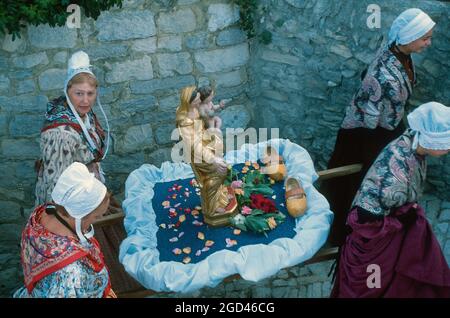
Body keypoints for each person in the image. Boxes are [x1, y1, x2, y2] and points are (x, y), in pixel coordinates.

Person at [321, 8, 436, 246]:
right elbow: (382, 121)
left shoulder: (400, 52)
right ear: (409, 38)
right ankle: (348, 234)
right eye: (425, 38)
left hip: (382, 125)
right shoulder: (386, 78)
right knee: (363, 180)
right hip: (367, 133)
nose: (429, 43)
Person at [33, 51, 141, 294]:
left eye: (90, 93)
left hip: (88, 192)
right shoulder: (59, 131)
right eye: (78, 93)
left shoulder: (83, 114)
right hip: (72, 209)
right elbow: (55, 184)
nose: (85, 99)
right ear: (68, 92)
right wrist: (67, 226)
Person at [331, 102, 450, 298]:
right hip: (372, 244)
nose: (448, 148)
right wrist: (401, 221)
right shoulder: (396, 173)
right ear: (432, 140)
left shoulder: (411, 142)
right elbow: (364, 217)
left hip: (390, 231)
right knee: (372, 287)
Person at [14, 162, 116, 298]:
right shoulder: (68, 271)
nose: (97, 220)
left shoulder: (40, 215)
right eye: (96, 216)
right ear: (79, 215)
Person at [176, 86, 237, 227]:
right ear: (189, 102)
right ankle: (212, 208)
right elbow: (195, 146)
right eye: (197, 100)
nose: (200, 102)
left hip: (205, 143)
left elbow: (204, 125)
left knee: (222, 166)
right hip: (200, 154)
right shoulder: (185, 122)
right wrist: (213, 159)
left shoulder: (195, 109)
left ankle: (219, 196)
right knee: (218, 172)